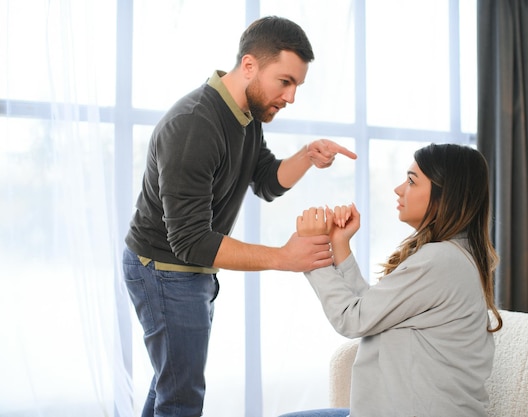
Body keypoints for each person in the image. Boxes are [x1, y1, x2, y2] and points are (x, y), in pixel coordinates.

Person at [122, 16, 357, 417]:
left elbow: (266, 180)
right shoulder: (195, 125)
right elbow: (191, 241)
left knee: (172, 387)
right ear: (250, 65)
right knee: (181, 398)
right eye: (285, 81)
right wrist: (284, 258)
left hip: (188, 269)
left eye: (297, 85)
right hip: (163, 269)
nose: (291, 96)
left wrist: (306, 156)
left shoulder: (244, 115)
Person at [282, 143, 503, 417]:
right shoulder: (451, 256)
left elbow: (353, 319)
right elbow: (372, 311)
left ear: (445, 196)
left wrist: (312, 247)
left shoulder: (440, 261)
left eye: (411, 181)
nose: (399, 189)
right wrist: (339, 245)